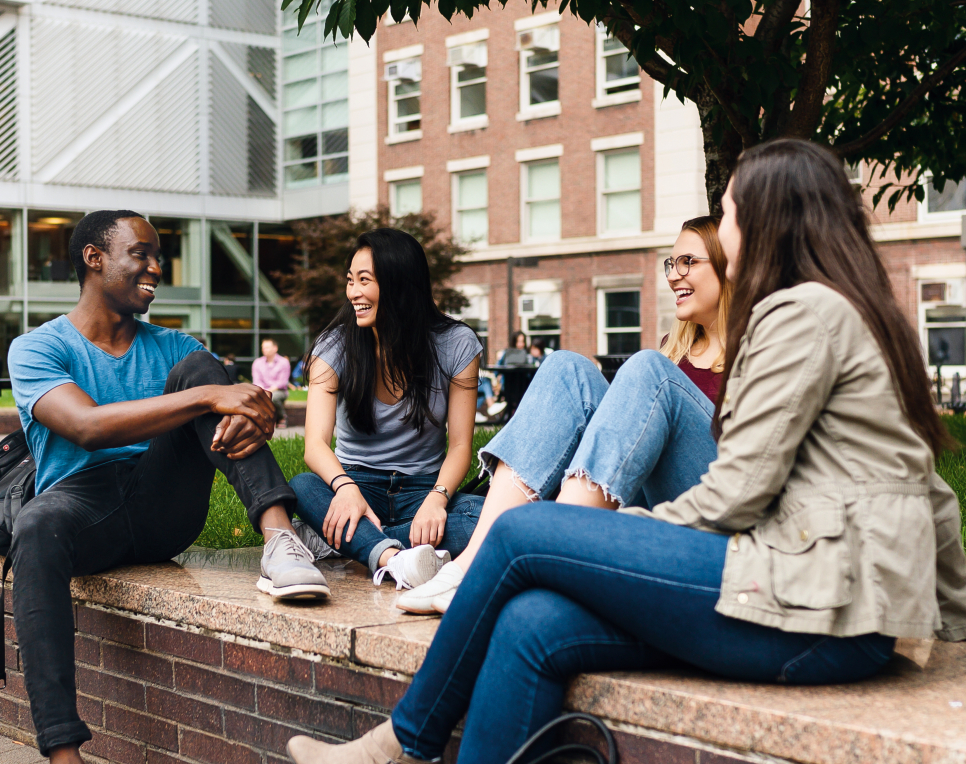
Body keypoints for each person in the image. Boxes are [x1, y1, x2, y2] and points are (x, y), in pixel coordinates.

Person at [286, 139, 966, 764]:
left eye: (726, 212)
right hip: (829, 607)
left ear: (764, 219)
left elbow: (738, 490)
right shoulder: (848, 310)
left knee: (526, 534)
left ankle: (399, 747)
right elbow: (926, 491)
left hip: (820, 608)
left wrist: (603, 536)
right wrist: (953, 612)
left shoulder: (800, 313)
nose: (722, 230)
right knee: (532, 624)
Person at [7, 210, 328, 764]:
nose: (157, 266)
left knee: (202, 368)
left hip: (164, 503)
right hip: (83, 508)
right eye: (141, 253)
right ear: (94, 258)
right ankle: (62, 753)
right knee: (34, 526)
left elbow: (230, 410)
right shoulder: (38, 348)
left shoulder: (178, 349)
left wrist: (254, 411)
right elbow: (86, 427)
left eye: (159, 255)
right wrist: (211, 398)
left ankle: (280, 540)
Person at [396, 215, 731, 614]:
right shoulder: (671, 350)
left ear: (729, 265)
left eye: (688, 261)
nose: (674, 275)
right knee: (565, 367)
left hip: (717, 505)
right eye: (670, 264)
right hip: (651, 501)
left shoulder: (758, 346)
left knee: (646, 368)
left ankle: (551, 552)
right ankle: (473, 563)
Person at [290, 228, 486, 590]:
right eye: (350, 280)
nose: (353, 293)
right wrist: (345, 489)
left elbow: (460, 446)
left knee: (487, 517)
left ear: (399, 283)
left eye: (364, 280)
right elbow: (315, 444)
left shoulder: (456, 345)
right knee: (302, 488)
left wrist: (437, 500)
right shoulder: (333, 347)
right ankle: (394, 559)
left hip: (424, 489)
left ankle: (355, 542)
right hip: (356, 484)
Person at [253, 337, 291, 429]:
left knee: (273, 397)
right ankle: (267, 420)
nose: (264, 349)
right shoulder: (257, 363)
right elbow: (257, 381)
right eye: (263, 347)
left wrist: (269, 391)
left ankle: (281, 417)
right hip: (262, 390)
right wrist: (263, 391)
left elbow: (282, 382)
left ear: (275, 348)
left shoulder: (284, 362)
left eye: (267, 347)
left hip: (279, 391)